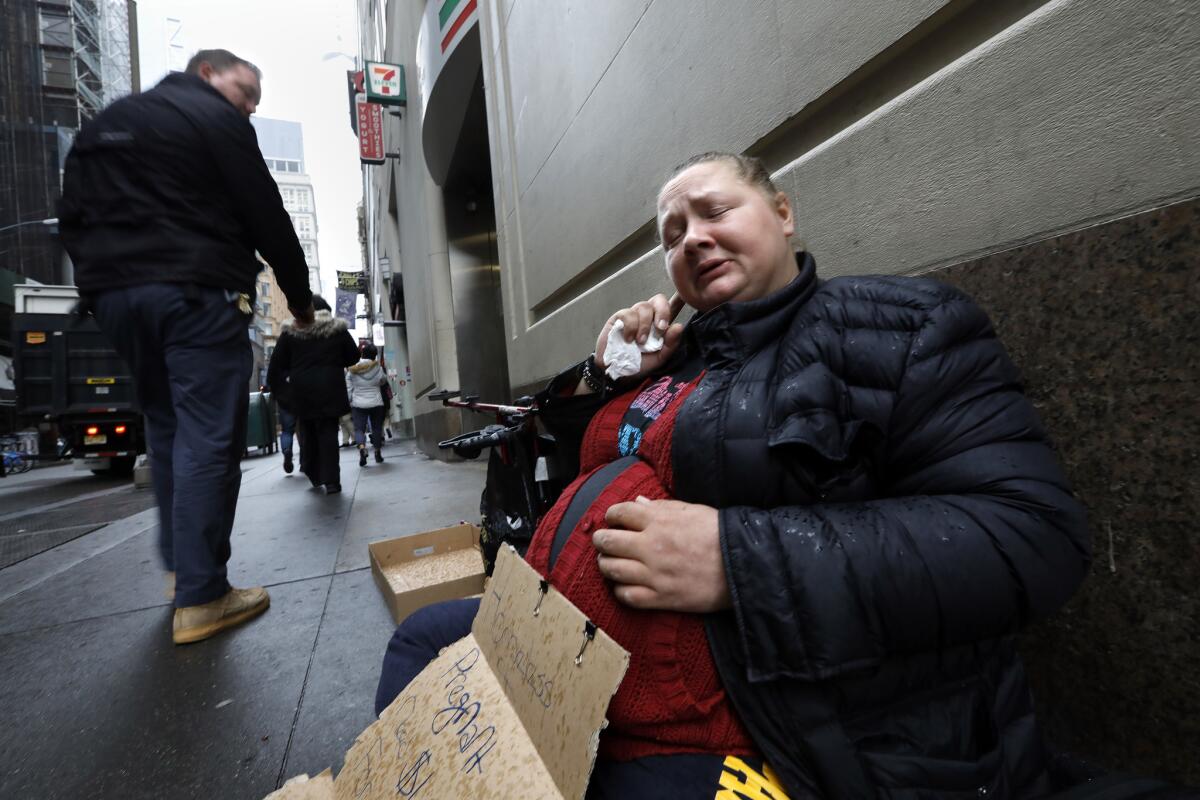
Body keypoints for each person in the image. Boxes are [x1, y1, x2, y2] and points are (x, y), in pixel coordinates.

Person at [375, 152, 1092, 798]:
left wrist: (737, 560)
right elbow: (580, 473)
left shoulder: (901, 328)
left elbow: (1030, 536)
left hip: (749, 711)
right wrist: (604, 373)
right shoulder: (679, 358)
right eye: (673, 233)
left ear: (783, 215)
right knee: (427, 637)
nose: (692, 237)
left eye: (716, 211)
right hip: (569, 651)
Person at [58, 48, 314, 646]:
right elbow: (265, 213)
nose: (249, 106)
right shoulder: (215, 120)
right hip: (197, 291)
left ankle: (182, 575)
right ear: (206, 74)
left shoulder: (101, 127)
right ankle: (203, 596)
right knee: (206, 435)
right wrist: (299, 300)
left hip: (119, 300)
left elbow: (73, 218)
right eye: (245, 91)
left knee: (168, 431)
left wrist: (101, 289)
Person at [266, 296, 359, 494]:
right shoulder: (337, 330)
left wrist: (284, 392)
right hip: (331, 389)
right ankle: (332, 480)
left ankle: (314, 473)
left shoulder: (291, 333)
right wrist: (333, 362)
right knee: (328, 434)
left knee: (308, 434)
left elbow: (276, 367)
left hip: (302, 392)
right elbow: (353, 356)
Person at [346, 343, 387, 466]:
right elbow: (383, 380)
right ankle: (377, 452)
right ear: (375, 355)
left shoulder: (353, 369)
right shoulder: (378, 368)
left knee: (359, 429)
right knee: (376, 428)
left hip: (358, 404)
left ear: (362, 354)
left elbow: (348, 387)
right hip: (376, 402)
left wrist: (349, 401)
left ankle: (363, 448)